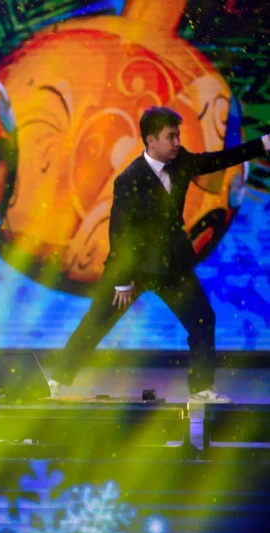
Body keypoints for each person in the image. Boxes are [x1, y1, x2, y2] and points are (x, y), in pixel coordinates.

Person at [48, 106, 270, 403]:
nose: (177, 142)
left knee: (202, 319)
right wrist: (122, 281)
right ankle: (56, 381)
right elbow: (120, 232)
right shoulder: (129, 179)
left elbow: (218, 160)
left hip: (171, 266)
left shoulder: (182, 162)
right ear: (151, 140)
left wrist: (262, 144)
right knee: (96, 323)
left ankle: (201, 389)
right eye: (171, 136)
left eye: (178, 135)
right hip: (133, 269)